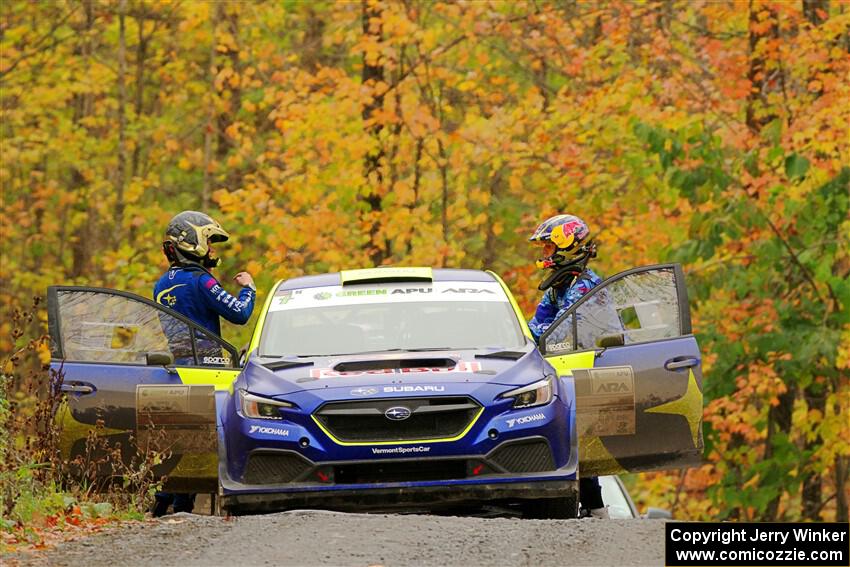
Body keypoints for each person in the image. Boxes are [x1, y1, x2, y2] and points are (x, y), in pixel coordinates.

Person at [152, 210, 257, 516]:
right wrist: (249, 287)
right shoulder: (201, 281)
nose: (212, 249)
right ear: (192, 243)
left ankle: (166, 503)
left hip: (177, 368)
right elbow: (239, 313)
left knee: (183, 437)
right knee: (207, 438)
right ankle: (179, 505)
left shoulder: (161, 284)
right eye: (209, 242)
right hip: (207, 369)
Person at [528, 213, 609, 519]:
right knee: (572, 438)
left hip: (594, 369)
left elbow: (555, 331)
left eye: (548, 247)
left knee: (581, 439)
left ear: (565, 247)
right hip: (567, 368)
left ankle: (597, 511)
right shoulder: (559, 286)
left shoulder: (584, 286)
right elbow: (538, 326)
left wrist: (521, 335)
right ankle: (589, 507)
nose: (543, 253)